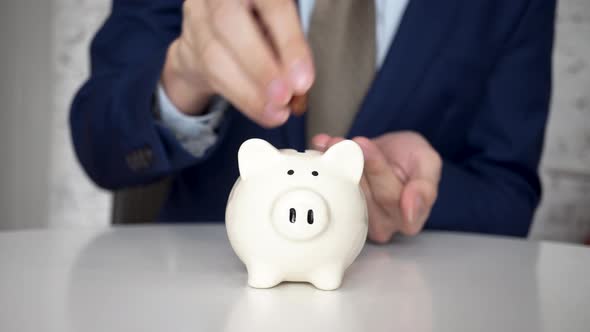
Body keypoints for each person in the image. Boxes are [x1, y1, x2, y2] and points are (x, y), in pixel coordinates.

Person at [70, 0, 556, 243]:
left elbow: (508, 191)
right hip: (198, 300)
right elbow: (100, 139)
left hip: (396, 308)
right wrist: (183, 75)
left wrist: (413, 189)